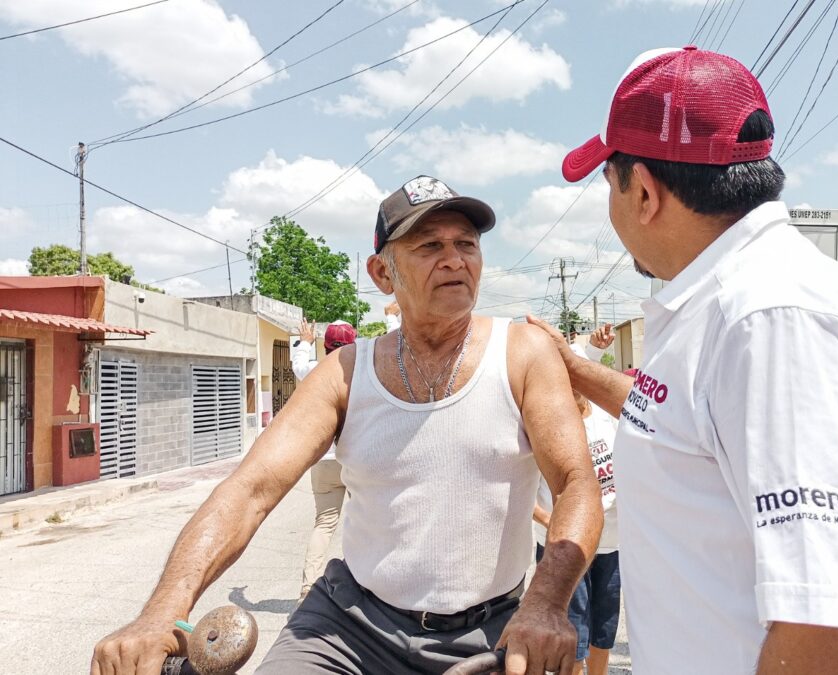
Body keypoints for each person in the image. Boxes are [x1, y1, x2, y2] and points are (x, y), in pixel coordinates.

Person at [93, 175, 602, 675]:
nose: (454, 259)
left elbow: (576, 483)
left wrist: (546, 603)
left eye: (466, 243)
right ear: (383, 274)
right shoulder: (345, 372)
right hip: (350, 628)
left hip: (493, 628)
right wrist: (162, 612)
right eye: (429, 246)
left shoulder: (522, 354)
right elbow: (249, 490)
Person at [528, 47, 838, 674]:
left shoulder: (775, 322)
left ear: (643, 191)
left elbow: (836, 623)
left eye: (608, 185)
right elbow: (675, 419)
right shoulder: (720, 305)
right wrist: (575, 367)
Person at [533, 350, 620, 675]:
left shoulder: (603, 418)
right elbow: (525, 496)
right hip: (566, 546)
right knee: (574, 633)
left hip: (610, 543)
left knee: (604, 630)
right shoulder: (545, 426)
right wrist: (555, 522)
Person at [291, 318, 357, 600]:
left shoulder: (314, 371)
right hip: (355, 459)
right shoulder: (359, 372)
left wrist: (305, 341)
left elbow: (297, 365)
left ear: (325, 345)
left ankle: (308, 588)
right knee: (367, 520)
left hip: (324, 460)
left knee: (325, 523)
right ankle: (364, 586)